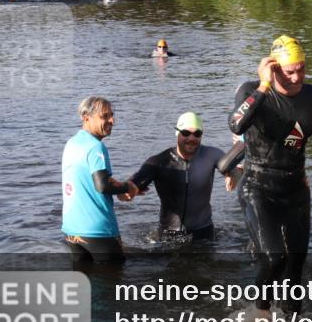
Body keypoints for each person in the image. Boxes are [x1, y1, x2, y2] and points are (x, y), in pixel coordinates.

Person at [228, 35, 312, 315]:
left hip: (296, 190)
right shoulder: (252, 91)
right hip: (258, 188)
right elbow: (236, 125)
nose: (297, 76)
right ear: (273, 68)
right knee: (275, 258)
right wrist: (264, 85)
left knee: (294, 269)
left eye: (302, 68)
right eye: (290, 71)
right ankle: (260, 314)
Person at [61, 96, 139, 263]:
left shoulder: (72, 143)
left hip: (72, 231)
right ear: (86, 117)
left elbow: (89, 181)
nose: (112, 121)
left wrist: (117, 186)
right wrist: (128, 187)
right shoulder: (96, 146)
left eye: (111, 115)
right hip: (98, 231)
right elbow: (102, 185)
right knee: (113, 283)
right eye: (104, 116)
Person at [129, 112, 231, 240]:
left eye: (197, 134)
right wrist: (127, 190)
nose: (191, 138)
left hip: (203, 232)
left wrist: (232, 174)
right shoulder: (159, 161)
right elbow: (131, 186)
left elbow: (233, 170)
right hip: (168, 235)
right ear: (177, 133)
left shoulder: (212, 155)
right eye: (186, 133)